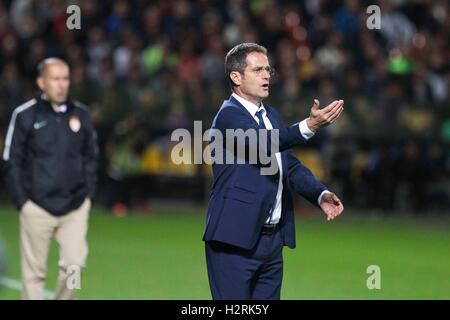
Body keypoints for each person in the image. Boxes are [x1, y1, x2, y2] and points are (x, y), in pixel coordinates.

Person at [203, 43, 344, 300]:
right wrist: (308, 126)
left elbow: (289, 165)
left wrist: (319, 194)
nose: (266, 75)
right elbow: (264, 144)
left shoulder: (270, 115)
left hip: (271, 242)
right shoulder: (228, 117)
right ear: (236, 77)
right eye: (257, 70)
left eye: (268, 69)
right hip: (234, 239)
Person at [2, 58, 98, 300]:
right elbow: (11, 160)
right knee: (34, 274)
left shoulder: (81, 115)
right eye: (55, 79)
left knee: (75, 265)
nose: (61, 84)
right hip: (36, 205)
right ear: (41, 82)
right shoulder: (24, 115)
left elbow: (91, 157)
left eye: (65, 78)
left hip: (74, 206)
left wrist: (88, 195)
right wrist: (22, 201)